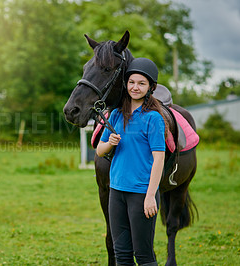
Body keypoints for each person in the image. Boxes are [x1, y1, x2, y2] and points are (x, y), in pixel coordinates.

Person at [96, 58, 166, 266]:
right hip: (116, 191)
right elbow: (100, 151)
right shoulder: (116, 115)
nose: (135, 87)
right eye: (132, 82)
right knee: (122, 254)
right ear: (126, 84)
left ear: (151, 88)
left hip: (141, 193)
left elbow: (159, 158)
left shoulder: (153, 118)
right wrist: (110, 142)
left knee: (143, 255)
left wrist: (151, 195)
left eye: (142, 83)